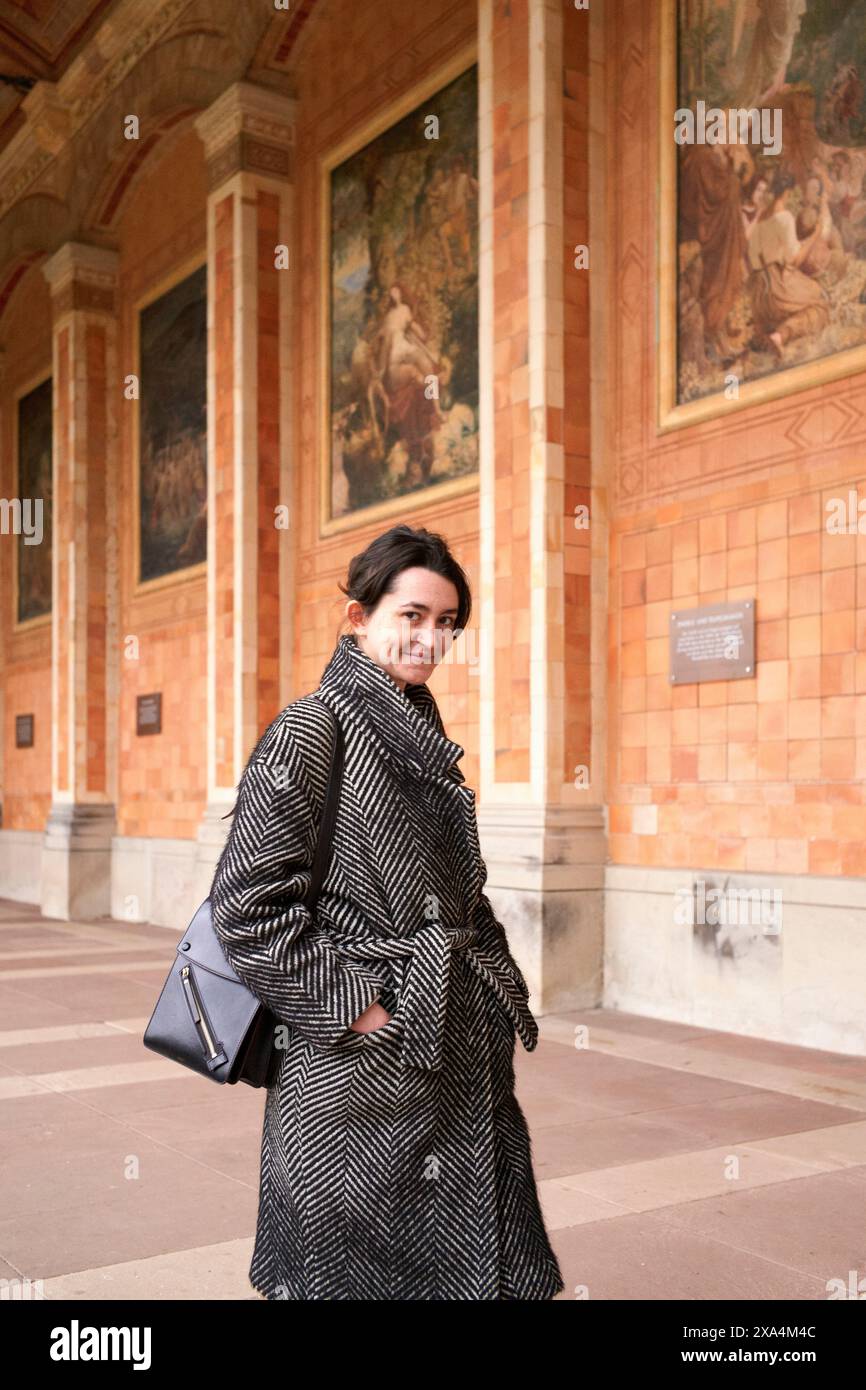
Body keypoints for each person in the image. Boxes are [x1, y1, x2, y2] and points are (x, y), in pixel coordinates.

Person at [210, 524, 565, 1301]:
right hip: (360, 1068)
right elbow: (247, 906)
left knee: (472, 1263)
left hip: (455, 1042)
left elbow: (457, 891)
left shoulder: (417, 725)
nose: (431, 638)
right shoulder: (314, 729)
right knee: (361, 1274)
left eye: (447, 623)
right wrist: (360, 1009)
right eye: (412, 615)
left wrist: (494, 986)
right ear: (357, 617)